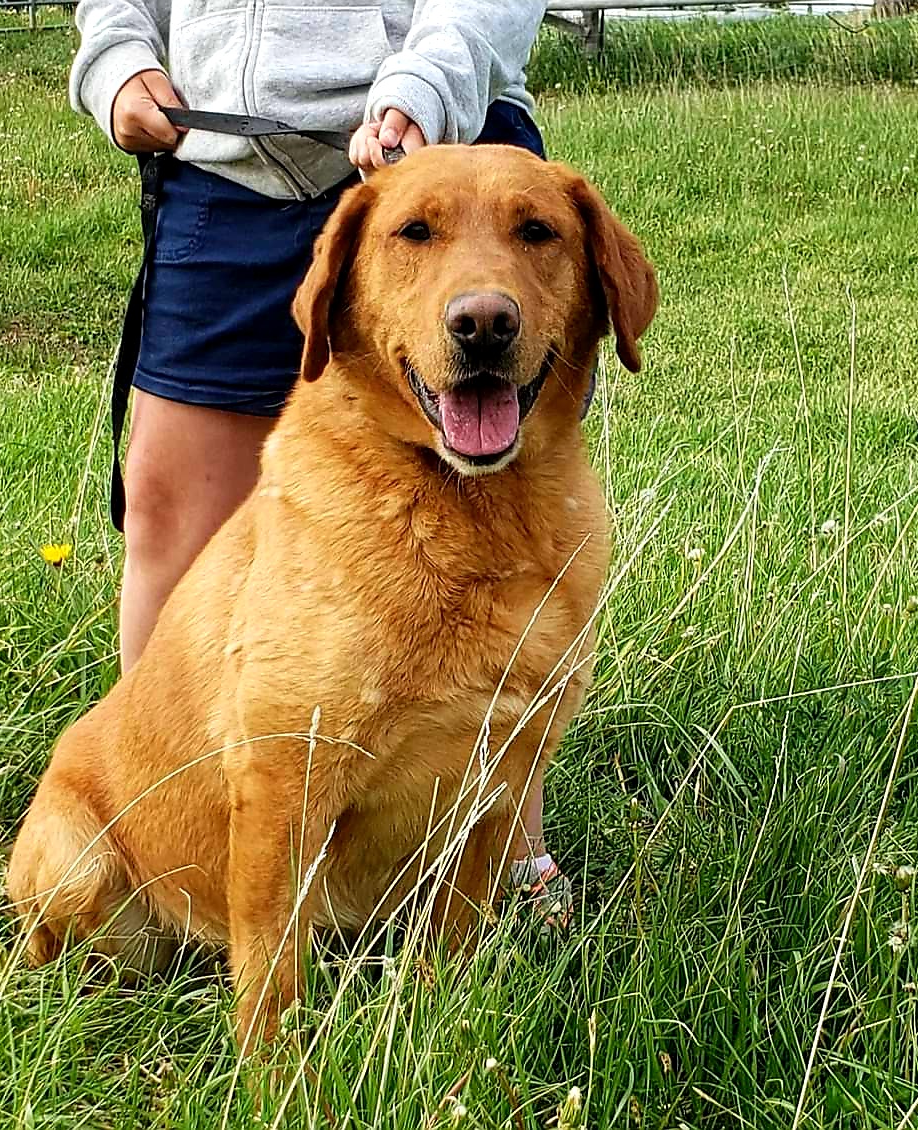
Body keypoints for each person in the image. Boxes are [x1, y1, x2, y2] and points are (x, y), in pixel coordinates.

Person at [69, 0, 573, 927]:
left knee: (505, 535)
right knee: (170, 510)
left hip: (441, 146)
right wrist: (118, 57)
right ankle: (171, 838)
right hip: (225, 161)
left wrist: (428, 81)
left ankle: (500, 865)